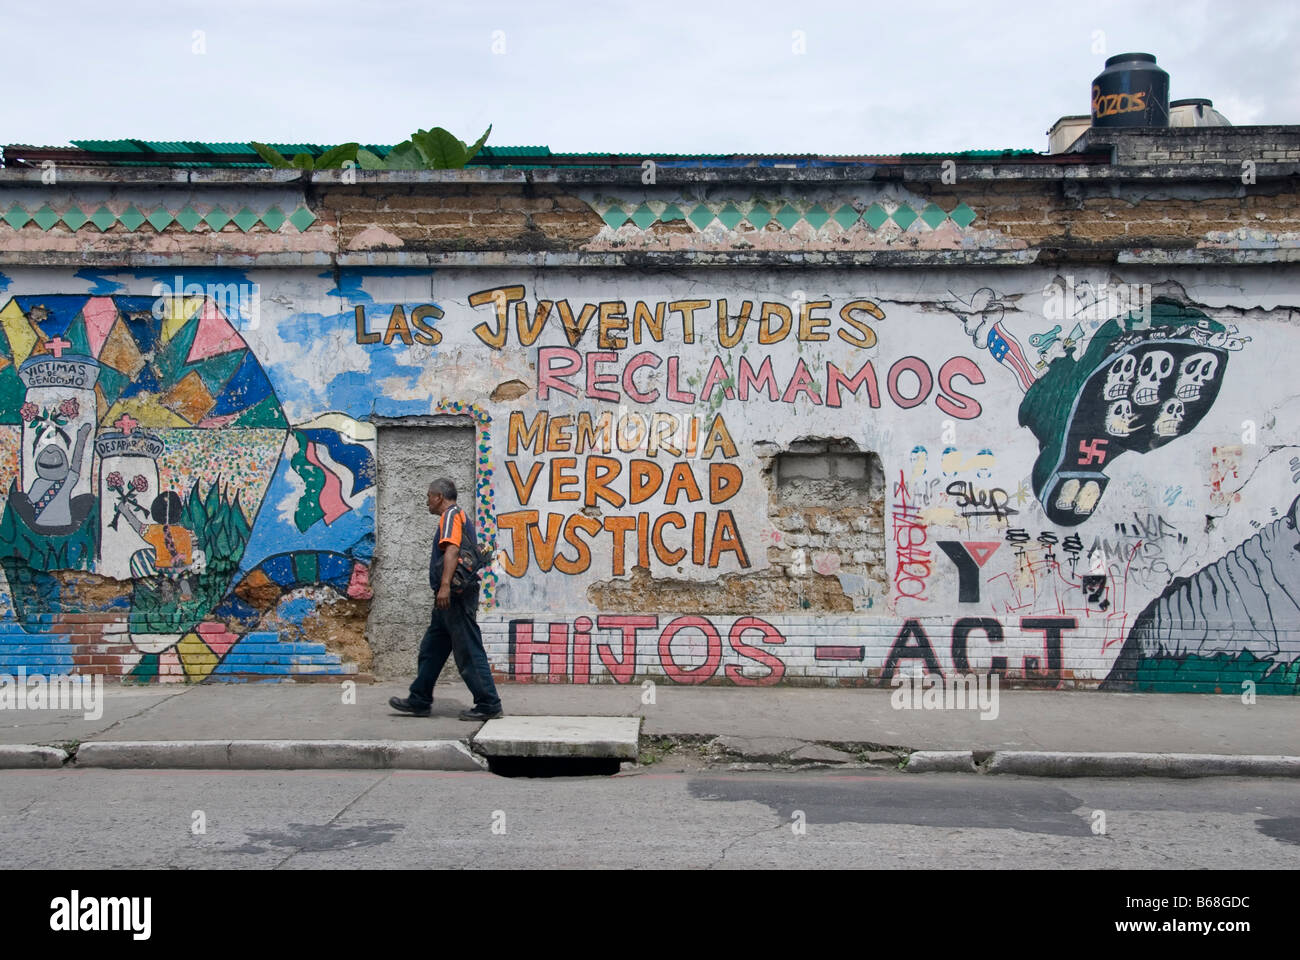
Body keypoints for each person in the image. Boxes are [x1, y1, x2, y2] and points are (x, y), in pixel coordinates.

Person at [390, 478, 504, 721]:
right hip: (448, 599)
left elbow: (452, 550)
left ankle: (488, 704)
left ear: (439, 497)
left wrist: (444, 587)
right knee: (431, 649)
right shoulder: (456, 516)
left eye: (429, 496)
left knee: (469, 651)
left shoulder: (451, 516)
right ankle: (419, 699)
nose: (427, 501)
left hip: (455, 597)